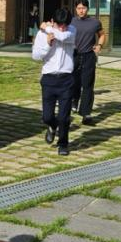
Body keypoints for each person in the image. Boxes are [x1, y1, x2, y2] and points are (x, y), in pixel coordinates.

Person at [33, 8, 76, 156]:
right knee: (47, 117)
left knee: (64, 116)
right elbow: (35, 56)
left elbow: (63, 37)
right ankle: (52, 126)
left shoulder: (72, 31)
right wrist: (47, 44)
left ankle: (63, 144)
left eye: (65, 25)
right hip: (49, 78)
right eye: (59, 25)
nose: (62, 28)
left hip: (66, 79)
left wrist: (47, 28)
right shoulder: (42, 34)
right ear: (53, 21)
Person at [70, 0, 106, 125]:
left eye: (84, 8)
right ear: (76, 9)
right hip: (73, 55)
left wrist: (99, 45)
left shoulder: (95, 22)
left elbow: (102, 34)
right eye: (79, 8)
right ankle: (74, 101)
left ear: (88, 9)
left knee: (88, 85)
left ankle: (86, 113)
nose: (81, 11)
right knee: (74, 82)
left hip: (88, 56)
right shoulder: (71, 22)